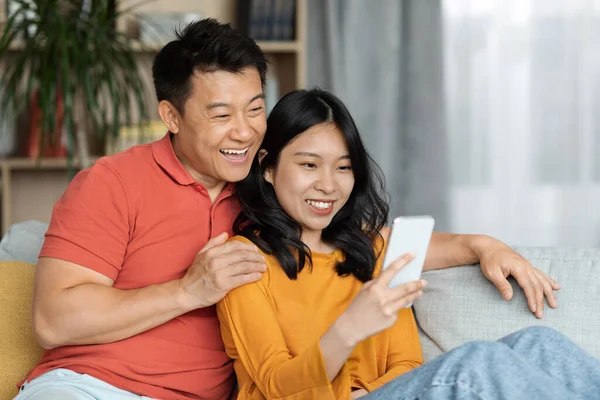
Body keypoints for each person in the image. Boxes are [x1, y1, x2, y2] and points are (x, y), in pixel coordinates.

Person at [15, 18, 558, 400]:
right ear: (171, 115)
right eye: (221, 113)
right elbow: (53, 319)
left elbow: (366, 241)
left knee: (538, 346)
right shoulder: (112, 183)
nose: (245, 130)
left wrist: (481, 245)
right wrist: (188, 291)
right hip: (88, 388)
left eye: (255, 108)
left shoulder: (264, 192)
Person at [216, 88, 600, 400]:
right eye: (309, 165)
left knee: (540, 344)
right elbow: (276, 387)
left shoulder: (371, 251)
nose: (329, 185)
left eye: (344, 167)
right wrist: (348, 329)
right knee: (476, 364)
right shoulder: (244, 263)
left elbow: (406, 364)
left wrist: (487, 245)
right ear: (267, 167)